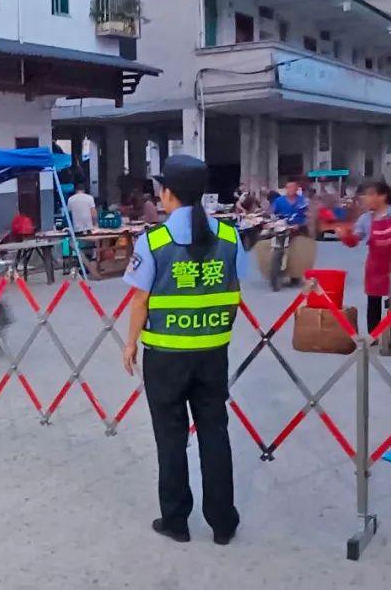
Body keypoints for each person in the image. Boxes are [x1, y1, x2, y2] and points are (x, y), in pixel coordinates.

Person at [122, 155, 247, 545]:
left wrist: (130, 344)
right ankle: (223, 523)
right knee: (215, 433)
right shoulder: (229, 237)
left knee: (171, 438)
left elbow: (140, 301)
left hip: (165, 357)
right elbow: (236, 290)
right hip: (213, 353)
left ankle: (176, 521)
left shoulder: (153, 241)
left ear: (167, 194)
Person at [341, 181, 391, 331]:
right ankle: (373, 336)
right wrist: (345, 235)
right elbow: (353, 241)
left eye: (369, 195)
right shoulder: (364, 219)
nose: (364, 198)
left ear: (382, 196)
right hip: (375, 267)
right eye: (363, 195)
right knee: (373, 302)